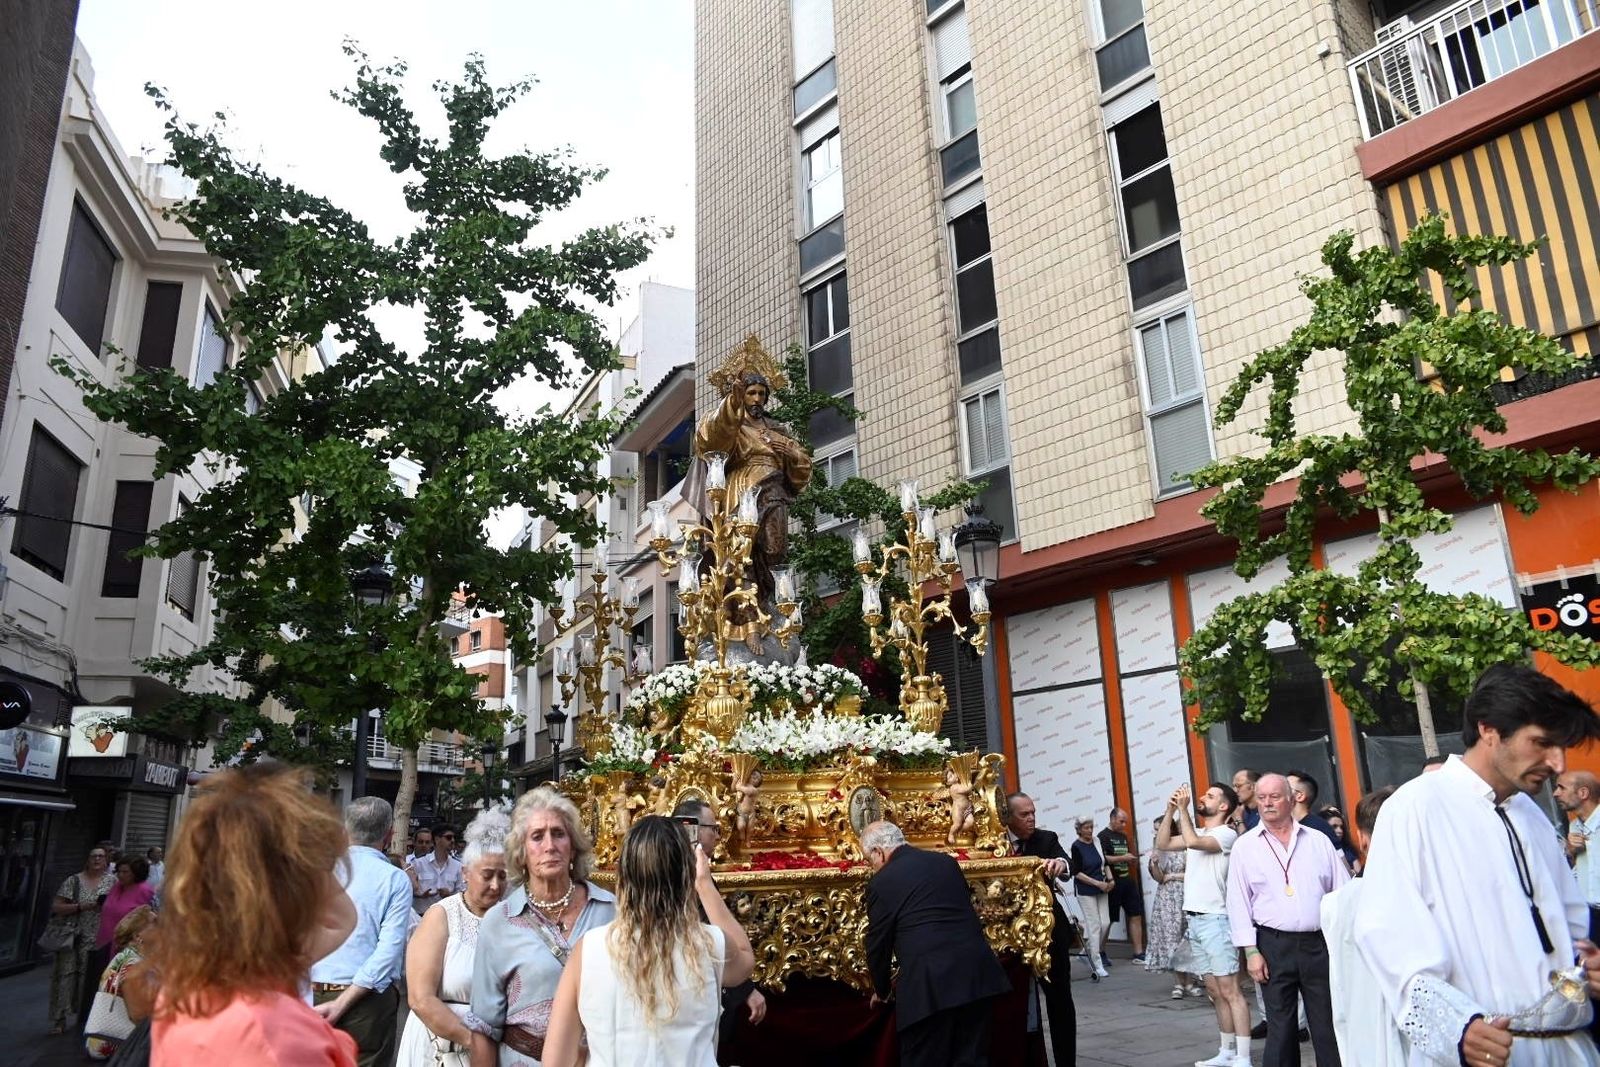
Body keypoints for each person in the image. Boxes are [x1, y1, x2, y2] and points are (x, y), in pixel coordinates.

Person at [1355, 663, 1600, 1067]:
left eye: (1560, 746)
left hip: (1569, 1049)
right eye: (1541, 743)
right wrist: (1459, 1029)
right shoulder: (1415, 807)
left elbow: (1569, 930)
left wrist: (1588, 968)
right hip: (1487, 1054)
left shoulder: (1533, 816)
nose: (1557, 763)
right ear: (1489, 730)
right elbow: (1389, 938)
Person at [149, 763, 360, 1066]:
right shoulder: (276, 1036)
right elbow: (341, 920)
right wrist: (295, 852)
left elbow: (340, 921)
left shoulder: (187, 990)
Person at [542, 815, 755, 1067]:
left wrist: (592, 1054)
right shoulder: (710, 944)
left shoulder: (588, 950)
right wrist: (704, 883)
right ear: (685, 876)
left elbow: (556, 1061)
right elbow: (745, 958)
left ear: (624, 878)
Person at [469, 786, 616, 1066]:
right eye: (537, 836)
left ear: (573, 846)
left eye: (558, 834)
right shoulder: (499, 922)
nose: (550, 846)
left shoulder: (611, 910)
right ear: (521, 852)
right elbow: (484, 1027)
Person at [859, 821, 1009, 1067]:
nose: (872, 866)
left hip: (928, 988)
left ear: (879, 852)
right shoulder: (946, 863)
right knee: (971, 1060)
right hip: (976, 975)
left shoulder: (881, 882)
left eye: (869, 860)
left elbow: (878, 944)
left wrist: (882, 990)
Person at [1226, 773, 1348, 1067]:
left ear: (1292, 800)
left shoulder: (1318, 840)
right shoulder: (1246, 846)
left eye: (1275, 796)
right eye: (1262, 797)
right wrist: (1251, 952)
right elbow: (1238, 902)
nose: (1267, 803)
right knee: (1280, 1028)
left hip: (1318, 944)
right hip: (1272, 945)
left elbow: (1342, 894)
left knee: (1327, 1024)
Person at [692, 347, 813, 606]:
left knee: (775, 549)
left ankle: (767, 601)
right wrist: (731, 404)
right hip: (742, 490)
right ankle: (744, 610)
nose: (757, 398)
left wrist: (791, 453)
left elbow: (802, 471)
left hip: (775, 491)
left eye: (761, 393)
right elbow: (711, 438)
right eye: (751, 393)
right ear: (741, 395)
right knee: (742, 548)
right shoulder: (733, 426)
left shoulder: (777, 430)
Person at [398, 807, 510, 1067]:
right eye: (487, 875)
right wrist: (473, 1042)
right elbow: (420, 998)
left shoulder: (511, 919)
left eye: (502, 876)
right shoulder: (441, 915)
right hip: (440, 1046)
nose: (495, 885)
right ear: (465, 873)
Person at [310, 796, 415, 1067]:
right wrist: (344, 1002)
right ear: (389, 834)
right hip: (367, 1002)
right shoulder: (394, 878)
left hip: (313, 993)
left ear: (345, 829)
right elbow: (388, 951)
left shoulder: (317, 872)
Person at [1157, 782, 1250, 1067]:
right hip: (1196, 920)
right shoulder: (1198, 832)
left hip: (1217, 921)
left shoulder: (1226, 834)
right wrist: (1170, 811)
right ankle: (1227, 1051)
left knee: (1230, 991)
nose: (1202, 797)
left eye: (1210, 796)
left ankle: (1244, 1057)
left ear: (1223, 806)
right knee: (1214, 991)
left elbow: (1194, 843)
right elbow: (1163, 844)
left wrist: (1183, 811)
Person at [1320, 787, 1405, 1067]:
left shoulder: (1337, 904)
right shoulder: (1440, 891)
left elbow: (1340, 989)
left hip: (1365, 1038)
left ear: (1362, 838)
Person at [672, 798, 766, 1042]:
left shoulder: (696, 868)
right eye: (712, 829)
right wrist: (743, 987)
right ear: (692, 829)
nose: (717, 836)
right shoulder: (688, 873)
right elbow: (716, 935)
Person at [1005, 791, 1077, 1067]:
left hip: (1049, 933)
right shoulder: (995, 843)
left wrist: (1061, 864)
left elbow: (1068, 863)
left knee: (1060, 1000)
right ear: (1007, 817)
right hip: (1009, 935)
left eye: (1033, 812)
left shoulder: (1046, 839)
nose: (1031, 818)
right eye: (1024, 814)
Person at [81, 854, 157, 1032]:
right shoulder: (115, 888)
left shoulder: (145, 891)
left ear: (136, 873)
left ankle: (118, 1025)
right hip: (105, 943)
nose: (121, 875)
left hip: (130, 947)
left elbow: (153, 918)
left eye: (125, 872)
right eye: (119, 871)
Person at [46, 845, 113, 1034]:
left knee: (90, 979)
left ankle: (87, 1018)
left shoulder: (112, 882)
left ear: (106, 860)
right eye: (94, 856)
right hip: (72, 937)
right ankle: (59, 1019)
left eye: (101, 856)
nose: (97, 859)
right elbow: (57, 906)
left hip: (97, 939)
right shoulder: (74, 880)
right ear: (87, 859)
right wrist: (80, 906)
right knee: (65, 976)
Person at [85, 904, 156, 1060]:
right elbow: (139, 1016)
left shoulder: (129, 958)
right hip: (122, 1046)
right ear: (138, 936)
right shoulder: (132, 965)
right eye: (155, 923)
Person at [1147, 813, 1202, 999]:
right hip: (1167, 900)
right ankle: (1179, 983)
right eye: (1155, 830)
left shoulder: (1184, 844)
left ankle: (1191, 982)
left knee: (1189, 939)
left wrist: (1173, 876)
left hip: (1187, 896)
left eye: (1159, 829)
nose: (1157, 833)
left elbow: (1195, 873)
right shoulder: (1159, 849)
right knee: (1172, 941)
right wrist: (1155, 865)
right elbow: (1159, 878)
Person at [1100, 806, 1147, 963]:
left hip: (1127, 880)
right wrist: (1123, 858)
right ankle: (1100, 952)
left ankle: (1138, 953)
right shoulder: (1102, 836)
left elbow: (1124, 856)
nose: (1124, 825)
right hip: (1113, 883)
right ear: (1112, 818)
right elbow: (1102, 859)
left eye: (1125, 822)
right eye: (1121, 821)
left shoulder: (1123, 836)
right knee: (1108, 920)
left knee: (1135, 914)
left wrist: (1131, 858)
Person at [1070, 815, 1115, 978]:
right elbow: (1076, 872)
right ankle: (1096, 964)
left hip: (1102, 887)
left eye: (1091, 827)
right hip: (1086, 890)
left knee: (1105, 923)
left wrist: (1110, 880)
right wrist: (1097, 884)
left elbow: (1105, 863)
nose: (1090, 830)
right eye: (1086, 828)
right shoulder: (1076, 846)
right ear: (1079, 830)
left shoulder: (1097, 841)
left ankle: (1085, 952)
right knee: (1094, 926)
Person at [411, 823, 466, 914]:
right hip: (421, 916)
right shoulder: (417, 864)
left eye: (454, 838)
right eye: (448, 837)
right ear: (436, 839)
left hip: (447, 916)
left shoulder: (458, 866)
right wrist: (420, 895)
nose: (452, 841)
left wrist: (450, 895)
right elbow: (407, 891)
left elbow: (463, 895)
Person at [1285, 771, 1341, 851]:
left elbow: (1339, 857)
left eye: (1285, 787)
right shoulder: (1279, 827)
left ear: (1299, 796)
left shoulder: (1320, 829)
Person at [1319, 806, 1361, 871]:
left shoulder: (1347, 850)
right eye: (1334, 826)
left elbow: (1358, 872)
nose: (1340, 831)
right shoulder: (1317, 851)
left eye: (1341, 827)